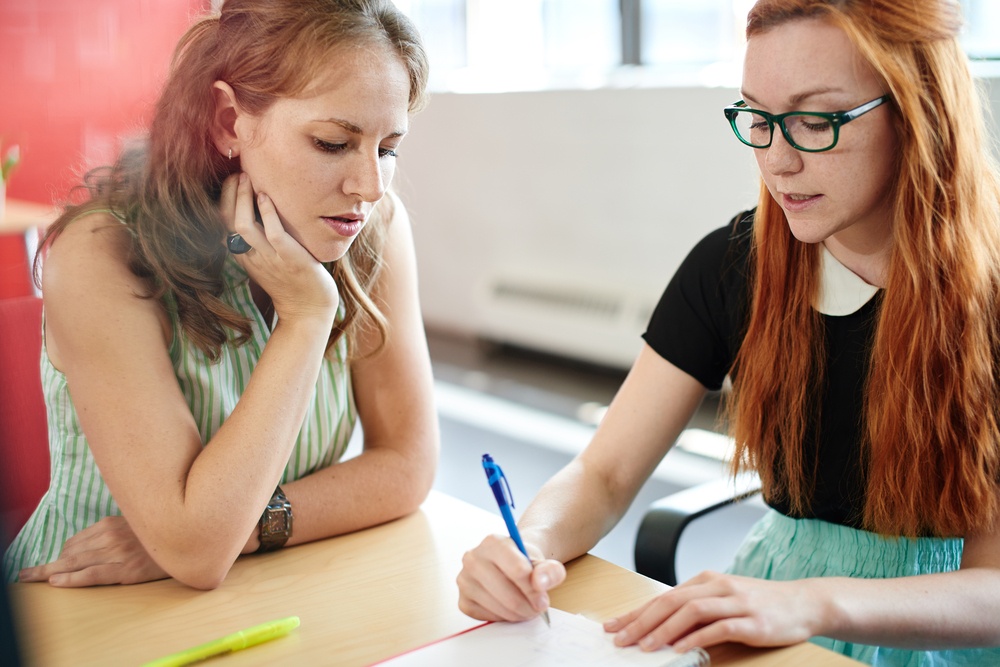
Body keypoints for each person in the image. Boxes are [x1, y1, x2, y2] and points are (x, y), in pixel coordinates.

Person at [456, 0, 1000, 664]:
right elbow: (603, 473)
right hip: (776, 613)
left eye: (812, 119)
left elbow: (992, 587)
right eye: (759, 118)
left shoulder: (987, 291)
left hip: (933, 627)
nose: (777, 160)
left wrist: (813, 600)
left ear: (918, 109)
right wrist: (528, 546)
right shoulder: (734, 262)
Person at [2, 0, 439, 590]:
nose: (369, 186)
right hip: (82, 609)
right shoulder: (100, 254)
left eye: (388, 148)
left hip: (266, 591)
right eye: (334, 143)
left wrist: (250, 526)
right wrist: (305, 317)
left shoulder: (372, 223)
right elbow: (197, 554)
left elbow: (407, 466)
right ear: (228, 121)